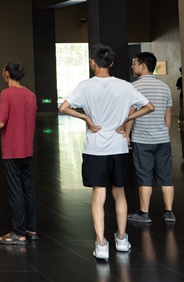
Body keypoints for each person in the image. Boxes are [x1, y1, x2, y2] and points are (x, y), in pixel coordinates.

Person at [59, 44, 154, 260]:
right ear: (111, 63)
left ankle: (101, 244)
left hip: (94, 149)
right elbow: (149, 107)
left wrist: (86, 118)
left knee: (98, 195)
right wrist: (127, 119)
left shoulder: (85, 86)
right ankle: (121, 238)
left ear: (93, 62)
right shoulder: (124, 86)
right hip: (118, 147)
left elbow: (63, 108)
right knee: (119, 193)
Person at [125, 52, 175, 223]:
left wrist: (126, 134)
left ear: (143, 66)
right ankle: (169, 212)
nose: (132, 66)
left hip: (142, 139)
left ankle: (144, 213)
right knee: (166, 176)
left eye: (135, 63)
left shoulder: (134, 88)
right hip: (162, 139)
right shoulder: (165, 87)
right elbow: (168, 115)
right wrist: (164, 133)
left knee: (144, 176)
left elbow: (131, 113)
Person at [0, 61, 37, 245]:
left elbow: (1, 123)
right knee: (28, 188)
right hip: (27, 148)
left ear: (6, 73)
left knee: (15, 190)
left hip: (12, 149)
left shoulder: (6, 94)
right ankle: (31, 229)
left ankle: (18, 233)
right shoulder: (31, 94)